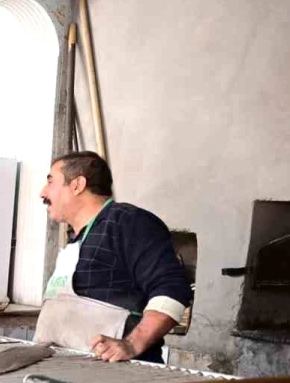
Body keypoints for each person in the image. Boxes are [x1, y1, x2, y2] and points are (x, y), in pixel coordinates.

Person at [38, 151, 192, 363]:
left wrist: (132, 344)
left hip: (115, 376)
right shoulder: (76, 240)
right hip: (67, 370)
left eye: (50, 181)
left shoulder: (128, 222)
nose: (42, 193)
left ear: (77, 185)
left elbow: (172, 290)